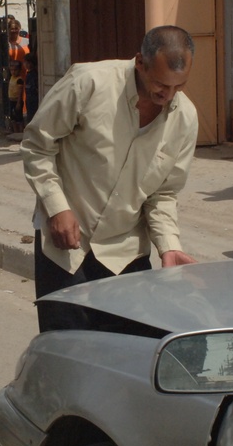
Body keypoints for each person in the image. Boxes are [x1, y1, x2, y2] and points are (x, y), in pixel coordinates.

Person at [21, 25, 199, 332]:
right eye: (160, 86)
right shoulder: (88, 83)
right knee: (67, 355)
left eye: (178, 88)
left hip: (126, 252)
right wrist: (56, 207)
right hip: (67, 249)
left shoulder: (185, 118)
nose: (168, 97)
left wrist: (168, 245)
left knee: (126, 355)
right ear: (139, 63)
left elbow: (163, 194)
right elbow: (38, 145)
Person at [6, 16, 29, 125]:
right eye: (12, 28)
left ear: (19, 29)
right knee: (16, 99)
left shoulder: (26, 41)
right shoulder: (7, 44)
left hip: (26, 73)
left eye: (16, 28)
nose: (14, 30)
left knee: (26, 96)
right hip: (14, 75)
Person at [23, 52, 39, 124]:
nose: (25, 64)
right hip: (29, 99)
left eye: (27, 63)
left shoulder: (34, 75)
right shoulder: (28, 74)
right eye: (25, 62)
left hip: (34, 99)